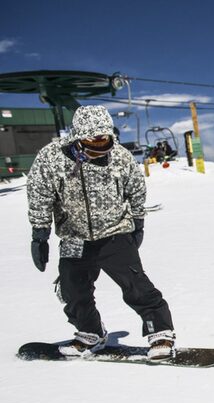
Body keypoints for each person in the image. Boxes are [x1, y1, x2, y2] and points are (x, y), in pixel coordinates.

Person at [27, 105, 176, 360]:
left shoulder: (119, 155)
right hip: (74, 235)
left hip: (115, 230)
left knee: (136, 286)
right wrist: (40, 233)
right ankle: (90, 333)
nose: (100, 143)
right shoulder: (51, 157)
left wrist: (138, 221)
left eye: (104, 138)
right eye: (93, 139)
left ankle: (160, 333)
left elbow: (136, 187)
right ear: (78, 136)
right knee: (72, 290)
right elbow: (40, 194)